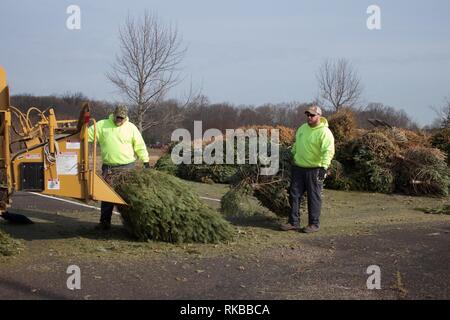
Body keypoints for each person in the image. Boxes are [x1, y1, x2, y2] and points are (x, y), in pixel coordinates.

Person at [88, 105, 150, 230]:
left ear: (125, 117)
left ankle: (132, 224)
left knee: (128, 195)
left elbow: (140, 145)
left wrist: (146, 160)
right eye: (118, 117)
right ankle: (104, 222)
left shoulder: (131, 128)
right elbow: (86, 136)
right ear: (114, 114)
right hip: (109, 168)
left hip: (127, 167)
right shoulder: (102, 125)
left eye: (122, 118)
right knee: (106, 195)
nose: (119, 120)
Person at [281, 105, 335, 233]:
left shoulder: (324, 132)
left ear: (319, 116)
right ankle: (293, 222)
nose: (309, 117)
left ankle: (314, 224)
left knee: (313, 197)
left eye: (312, 115)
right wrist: (290, 155)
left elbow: (328, 151)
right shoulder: (302, 128)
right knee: (294, 195)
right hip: (299, 168)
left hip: (314, 169)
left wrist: (324, 167)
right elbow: (296, 145)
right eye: (308, 115)